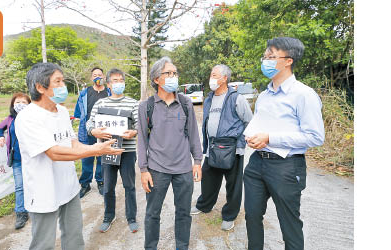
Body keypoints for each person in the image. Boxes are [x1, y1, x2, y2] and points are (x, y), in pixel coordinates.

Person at [15, 62, 124, 250]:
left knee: (74, 239)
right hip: (43, 193)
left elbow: (72, 143)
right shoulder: (28, 117)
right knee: (43, 244)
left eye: (63, 80)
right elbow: (54, 152)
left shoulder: (63, 112)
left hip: (70, 188)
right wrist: (96, 151)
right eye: (57, 81)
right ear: (40, 87)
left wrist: (98, 146)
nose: (63, 86)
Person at [243, 37, 325, 250]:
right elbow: (260, 124)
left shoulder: (304, 95)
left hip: (286, 167)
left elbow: (315, 136)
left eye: (271, 57)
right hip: (257, 164)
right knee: (251, 216)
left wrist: (270, 138)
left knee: (289, 224)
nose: (266, 61)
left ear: (288, 60)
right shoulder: (263, 95)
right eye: (265, 57)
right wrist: (254, 137)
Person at [137, 56, 203, 250]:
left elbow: (193, 135)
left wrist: (197, 161)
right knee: (152, 214)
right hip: (157, 169)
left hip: (183, 169)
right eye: (168, 73)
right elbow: (142, 139)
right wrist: (143, 169)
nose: (174, 76)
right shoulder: (146, 106)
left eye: (175, 73)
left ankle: (182, 246)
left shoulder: (185, 103)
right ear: (156, 79)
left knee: (183, 213)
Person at [191, 64, 252, 231]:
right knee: (209, 178)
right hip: (213, 147)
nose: (211, 78)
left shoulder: (236, 98)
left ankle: (230, 214)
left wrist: (241, 142)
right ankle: (204, 205)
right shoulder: (209, 98)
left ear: (225, 78)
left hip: (232, 149)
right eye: (211, 74)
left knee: (233, 183)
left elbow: (249, 121)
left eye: (214, 75)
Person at [86, 68, 139, 233]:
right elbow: (90, 123)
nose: (118, 83)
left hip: (127, 151)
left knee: (129, 186)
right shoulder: (101, 103)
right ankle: (109, 216)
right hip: (107, 150)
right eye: (115, 81)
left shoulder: (133, 103)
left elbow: (139, 124)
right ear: (108, 84)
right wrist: (94, 131)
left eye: (121, 80)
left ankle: (132, 218)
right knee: (108, 186)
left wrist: (134, 132)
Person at [0, 92, 31, 230]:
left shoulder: (34, 118)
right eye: (17, 102)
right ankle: (21, 212)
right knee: (20, 186)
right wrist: (0, 136)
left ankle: (37, 206)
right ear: (13, 105)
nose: (20, 105)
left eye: (24, 102)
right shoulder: (10, 119)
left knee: (35, 182)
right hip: (17, 158)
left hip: (33, 158)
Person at [74, 67, 111, 197]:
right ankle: (85, 184)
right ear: (91, 78)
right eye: (94, 75)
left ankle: (101, 182)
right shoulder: (84, 93)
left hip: (104, 130)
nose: (97, 77)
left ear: (104, 77)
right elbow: (78, 113)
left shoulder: (109, 92)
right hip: (86, 130)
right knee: (86, 157)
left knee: (102, 157)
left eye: (99, 75)